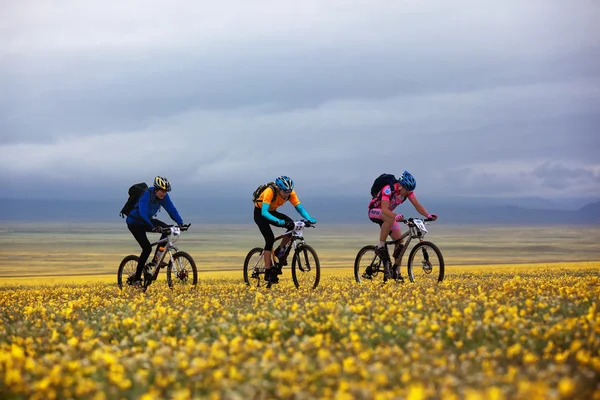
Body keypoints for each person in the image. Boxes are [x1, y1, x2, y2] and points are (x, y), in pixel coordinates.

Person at [366, 171, 437, 281]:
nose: (408, 192)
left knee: (400, 243)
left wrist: (428, 215)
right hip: (375, 211)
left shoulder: (408, 193)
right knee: (390, 218)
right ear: (401, 186)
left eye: (410, 190)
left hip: (388, 216)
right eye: (406, 189)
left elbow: (417, 206)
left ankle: (396, 273)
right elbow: (384, 210)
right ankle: (380, 246)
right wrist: (396, 215)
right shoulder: (388, 190)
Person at [253, 175, 317, 284]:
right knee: (269, 239)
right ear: (279, 189)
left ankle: (280, 250)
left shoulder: (290, 193)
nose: (287, 194)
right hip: (260, 214)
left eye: (289, 192)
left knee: (292, 225)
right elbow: (264, 212)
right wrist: (278, 221)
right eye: (285, 192)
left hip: (272, 212)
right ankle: (268, 271)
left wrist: (308, 218)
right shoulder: (270, 191)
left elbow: (299, 208)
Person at [126, 176, 185, 287]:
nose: (164, 193)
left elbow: (171, 209)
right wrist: (151, 226)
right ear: (156, 189)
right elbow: (142, 212)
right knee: (147, 248)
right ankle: (137, 279)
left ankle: (156, 259)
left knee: (167, 230)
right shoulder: (146, 194)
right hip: (135, 223)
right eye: (162, 191)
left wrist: (180, 222)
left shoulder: (164, 197)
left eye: (166, 191)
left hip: (147, 221)